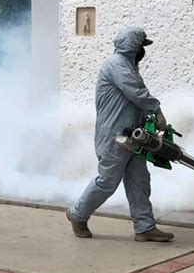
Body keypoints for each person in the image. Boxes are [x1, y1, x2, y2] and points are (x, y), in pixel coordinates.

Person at [67, 26, 174, 242]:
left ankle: (145, 227)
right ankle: (77, 215)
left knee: (139, 180)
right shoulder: (116, 65)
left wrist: (149, 121)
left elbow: (135, 101)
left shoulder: (129, 67)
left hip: (133, 136)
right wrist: (157, 110)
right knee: (107, 182)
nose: (143, 51)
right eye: (141, 46)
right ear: (133, 47)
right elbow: (136, 92)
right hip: (114, 137)